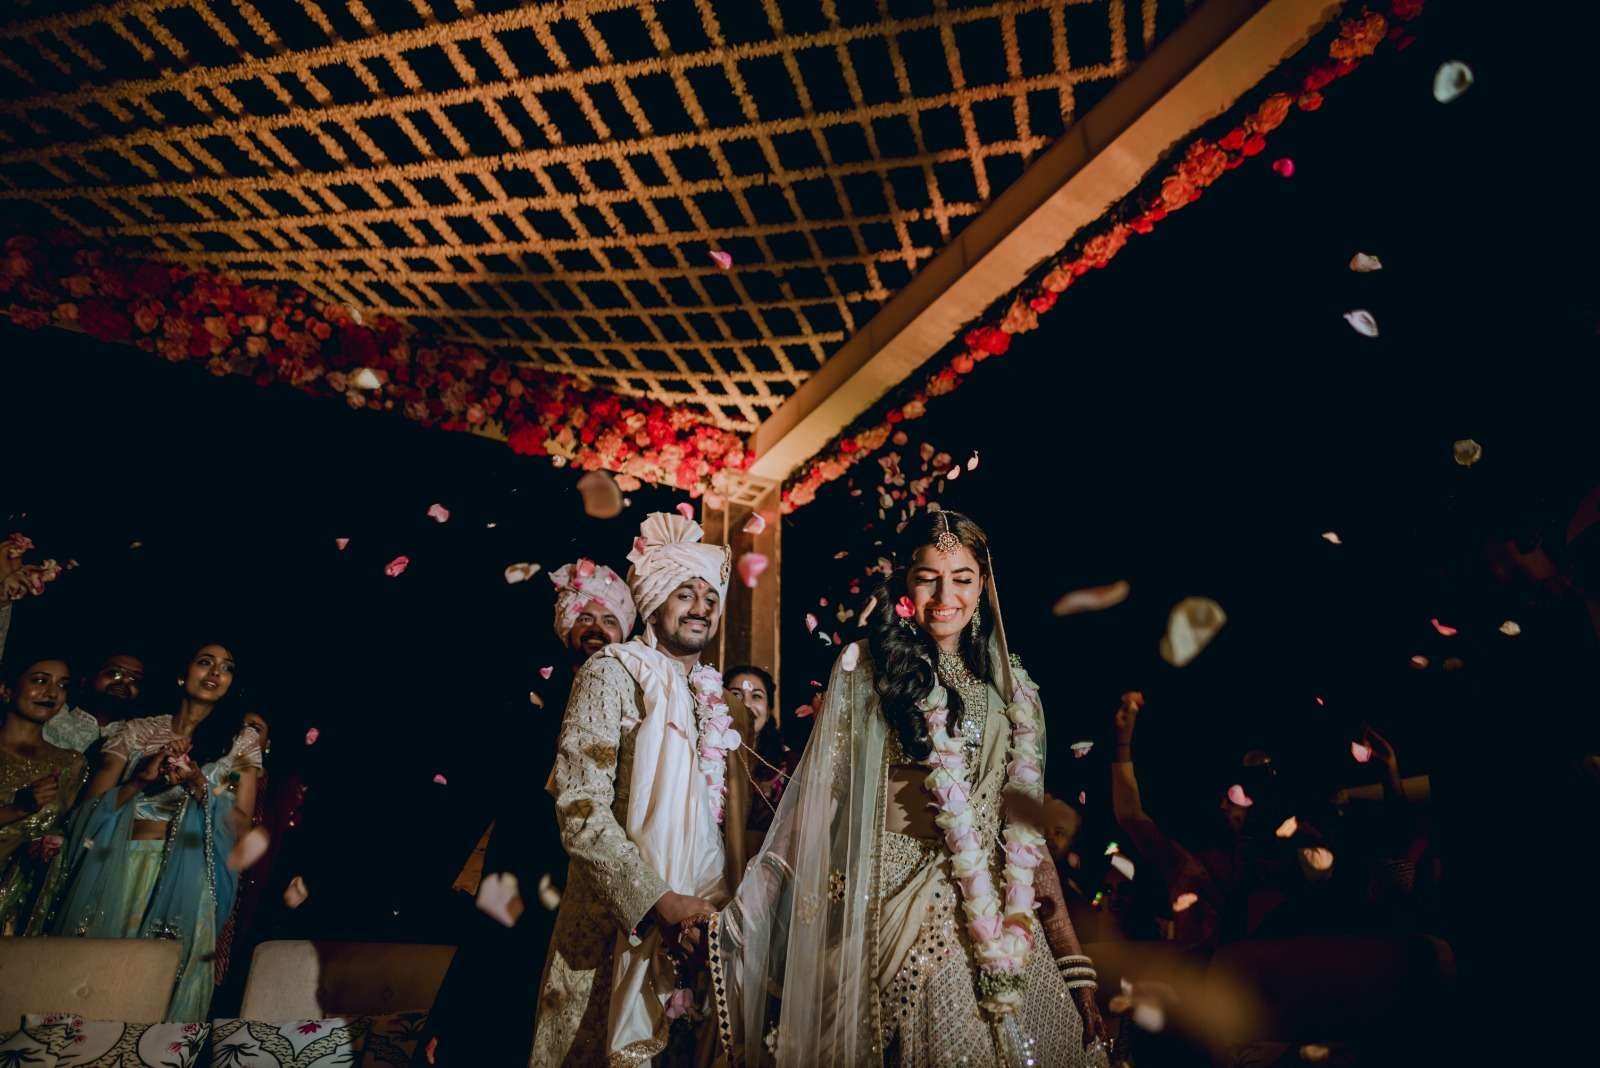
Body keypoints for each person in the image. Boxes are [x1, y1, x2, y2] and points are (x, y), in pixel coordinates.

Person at [706, 509, 1108, 1066]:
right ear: (905, 582)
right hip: (899, 914)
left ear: (983, 586)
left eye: (962, 578)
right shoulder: (867, 669)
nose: (946, 596)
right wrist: (748, 908)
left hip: (1005, 922)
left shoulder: (1015, 690)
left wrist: (1073, 964)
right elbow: (820, 800)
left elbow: (1025, 835)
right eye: (928, 578)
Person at [532, 513, 733, 1066]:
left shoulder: (710, 700)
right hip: (609, 936)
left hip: (696, 941)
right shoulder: (611, 673)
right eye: (685, 594)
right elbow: (581, 810)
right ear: (654, 602)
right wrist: (659, 902)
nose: (700, 608)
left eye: (710, 598)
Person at [419, 559, 636, 1067]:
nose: (597, 629)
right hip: (523, 854)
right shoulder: (530, 695)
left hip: (591, 865)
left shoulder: (632, 702)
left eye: (610, 620)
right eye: (586, 618)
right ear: (567, 627)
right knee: (497, 980)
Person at [53, 643, 263, 1021]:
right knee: (99, 987)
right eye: (205, 662)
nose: (216, 673)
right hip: (121, 870)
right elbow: (85, 815)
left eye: (227, 667)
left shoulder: (241, 741)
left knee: (159, 997)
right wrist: (140, 780)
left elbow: (242, 827)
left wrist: (199, 785)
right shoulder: (137, 731)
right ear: (182, 674)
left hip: (190, 882)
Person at [0, 654, 88, 934]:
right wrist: (19, 809)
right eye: (40, 681)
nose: (52, 693)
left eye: (62, 685)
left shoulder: (71, 764)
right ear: (6, 690)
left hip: (25, 905)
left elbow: (72, 833)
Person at [723, 664, 792, 859]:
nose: (745, 704)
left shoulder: (788, 764)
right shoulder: (706, 755)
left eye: (756, 696)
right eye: (736, 695)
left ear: (768, 710)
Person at [41, 650, 145, 755]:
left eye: (135, 679)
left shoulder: (142, 738)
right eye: (115, 673)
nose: (125, 681)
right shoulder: (51, 719)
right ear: (86, 678)